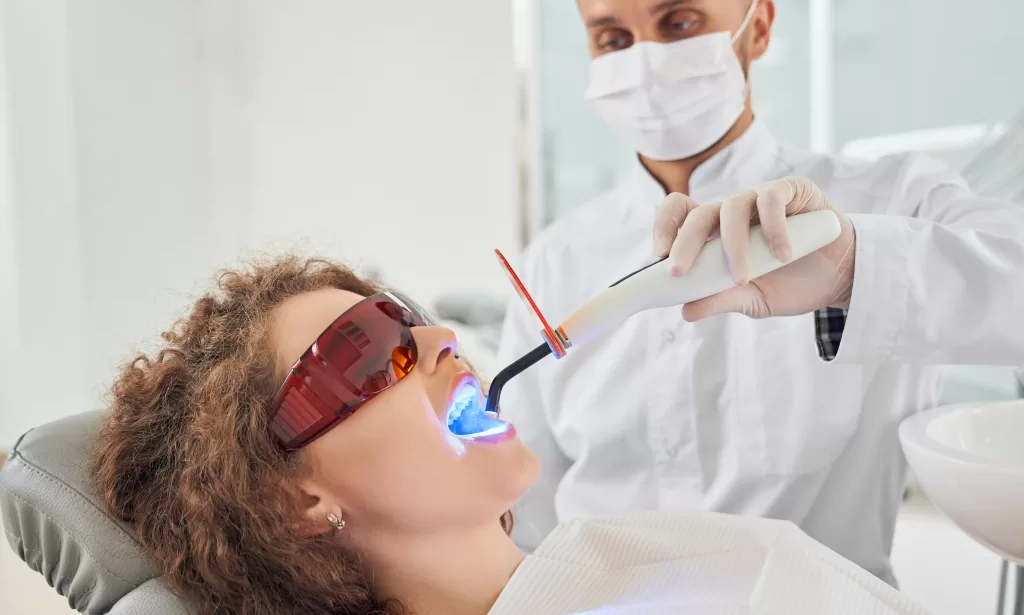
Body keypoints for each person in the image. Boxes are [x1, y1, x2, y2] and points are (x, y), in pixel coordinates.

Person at [496, 0, 1024, 585]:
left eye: (679, 22)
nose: (645, 63)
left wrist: (854, 266)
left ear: (760, 28)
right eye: (613, 39)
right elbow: (526, 527)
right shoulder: (552, 265)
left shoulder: (892, 198)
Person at [92, 256, 930, 615]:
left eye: (411, 320)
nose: (438, 344)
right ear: (290, 495)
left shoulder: (649, 561)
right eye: (366, 354)